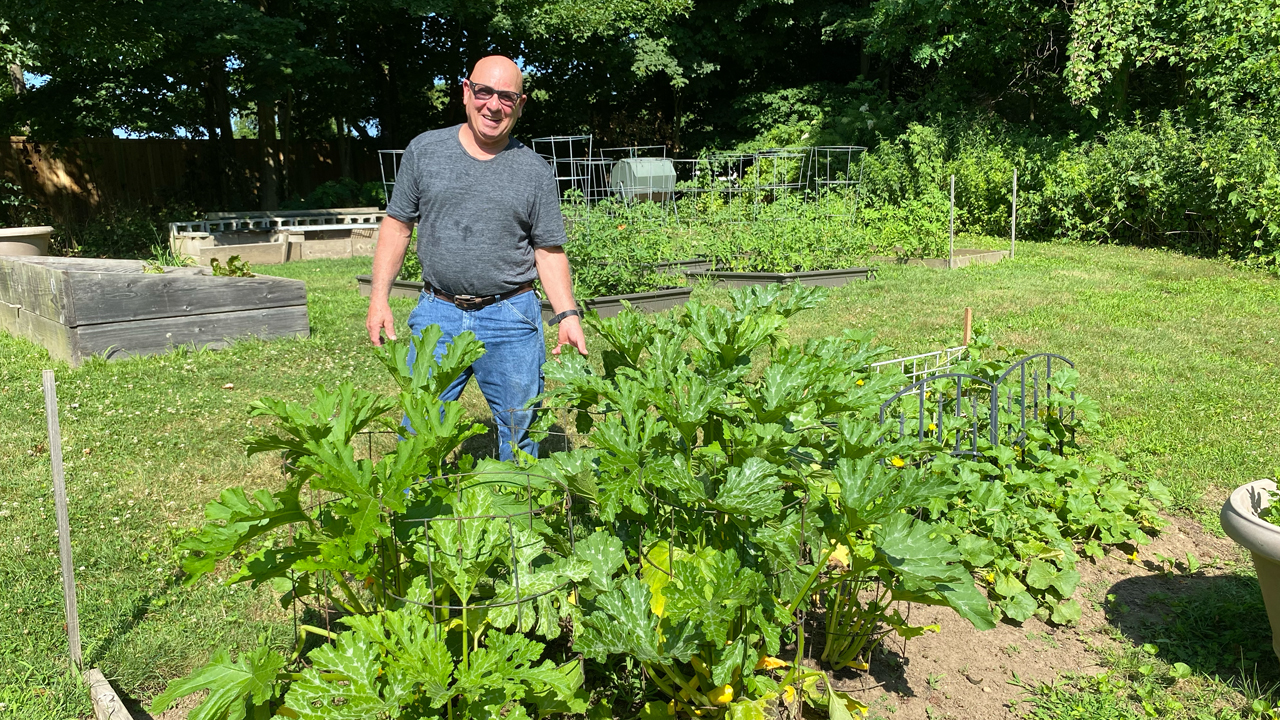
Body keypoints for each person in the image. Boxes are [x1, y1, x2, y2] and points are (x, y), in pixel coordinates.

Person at [365, 54, 587, 461]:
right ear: (466, 92)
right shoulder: (425, 151)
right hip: (438, 312)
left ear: (520, 104)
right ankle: (416, 503)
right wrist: (379, 298)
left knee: (521, 432)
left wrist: (567, 315)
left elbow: (548, 250)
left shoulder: (534, 170)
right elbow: (397, 226)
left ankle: (516, 501)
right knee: (419, 431)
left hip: (511, 317)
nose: (493, 105)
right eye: (484, 92)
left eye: (507, 97)